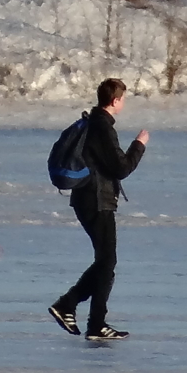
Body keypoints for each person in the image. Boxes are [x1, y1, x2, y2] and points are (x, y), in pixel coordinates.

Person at [48, 77, 148, 340]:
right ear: (115, 101)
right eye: (123, 98)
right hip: (96, 200)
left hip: (89, 198)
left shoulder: (94, 123)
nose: (123, 103)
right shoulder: (103, 127)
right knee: (107, 261)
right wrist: (139, 145)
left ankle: (75, 310)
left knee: (105, 261)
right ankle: (86, 317)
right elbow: (122, 168)